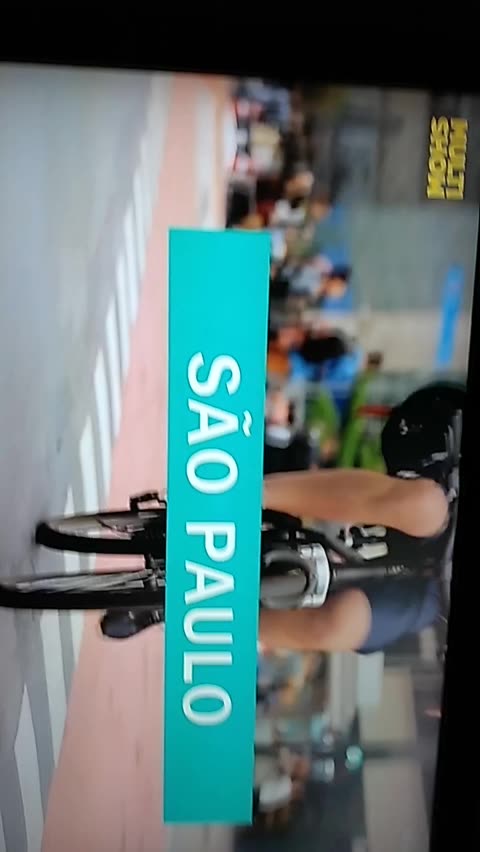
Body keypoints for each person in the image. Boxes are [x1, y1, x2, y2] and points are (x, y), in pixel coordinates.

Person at [259, 382, 463, 655]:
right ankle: (252, 496)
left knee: (340, 624)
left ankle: (227, 626)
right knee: (425, 507)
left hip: (434, 597)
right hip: (445, 504)